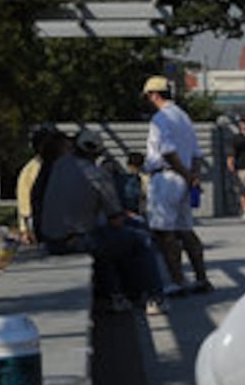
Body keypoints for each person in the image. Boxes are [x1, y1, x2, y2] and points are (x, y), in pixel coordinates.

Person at [40, 128, 166, 314]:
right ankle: (154, 297)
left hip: (51, 239)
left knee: (104, 241)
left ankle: (114, 295)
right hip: (76, 240)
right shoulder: (98, 174)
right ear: (98, 153)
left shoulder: (59, 165)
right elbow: (115, 220)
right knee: (140, 239)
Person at [143, 75, 212, 295]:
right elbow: (196, 153)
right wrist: (192, 176)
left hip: (166, 177)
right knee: (186, 230)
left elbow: (168, 151)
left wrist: (186, 174)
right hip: (182, 178)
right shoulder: (183, 117)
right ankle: (201, 278)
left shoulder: (160, 119)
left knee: (165, 233)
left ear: (154, 95)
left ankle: (176, 281)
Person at [15, 124, 54, 245]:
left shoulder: (53, 166)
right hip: (40, 221)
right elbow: (23, 203)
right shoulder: (31, 169)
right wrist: (24, 229)